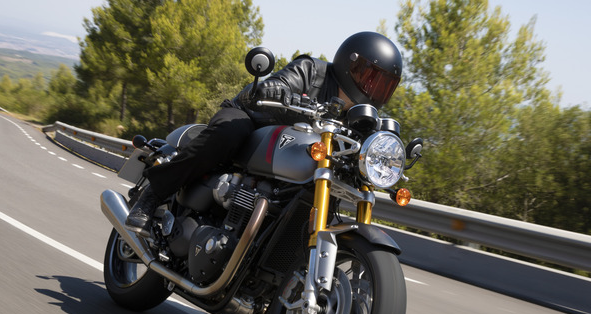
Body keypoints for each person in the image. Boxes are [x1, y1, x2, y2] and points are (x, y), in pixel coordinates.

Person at [125, 31, 403, 237]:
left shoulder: (362, 118)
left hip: (298, 158)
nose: (373, 89)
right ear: (350, 65)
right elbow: (273, 86)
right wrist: (276, 90)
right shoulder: (311, 70)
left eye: (382, 85)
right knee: (230, 132)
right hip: (252, 120)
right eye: (370, 77)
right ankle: (150, 197)